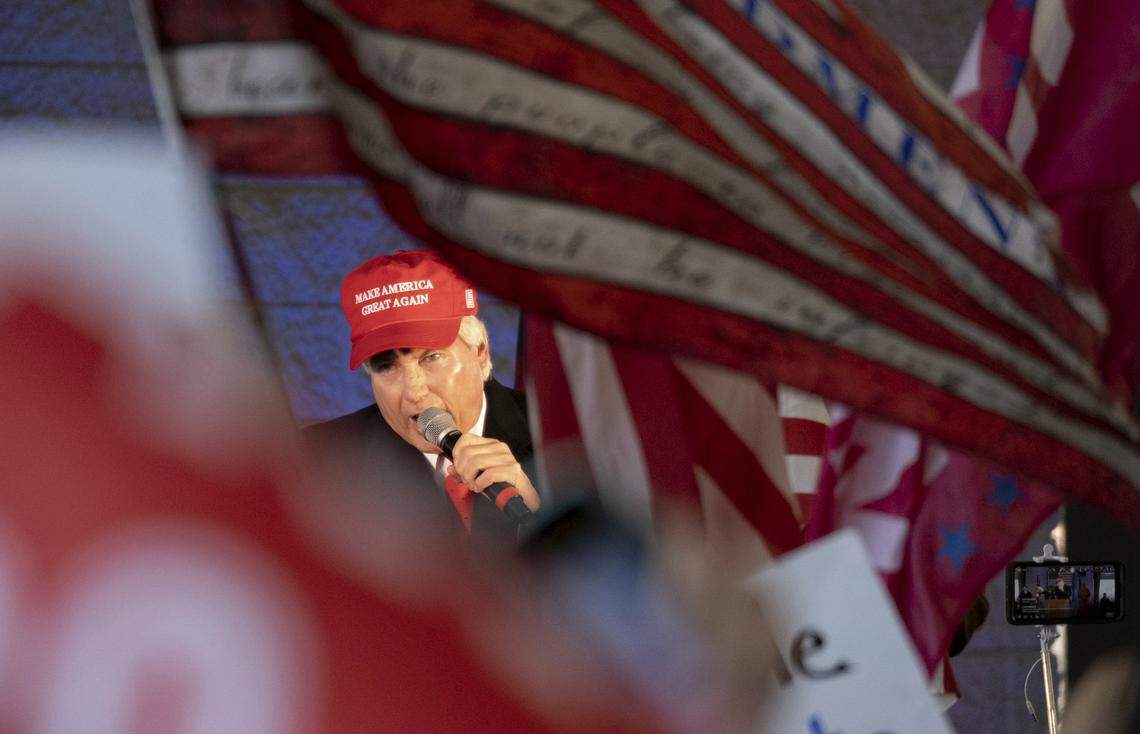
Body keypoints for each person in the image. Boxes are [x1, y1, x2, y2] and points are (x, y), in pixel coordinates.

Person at [304, 250, 540, 542]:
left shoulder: (566, 438)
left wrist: (537, 515)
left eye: (432, 357)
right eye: (386, 366)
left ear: (480, 352)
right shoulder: (316, 462)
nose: (414, 392)